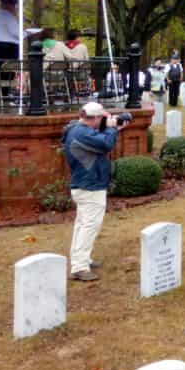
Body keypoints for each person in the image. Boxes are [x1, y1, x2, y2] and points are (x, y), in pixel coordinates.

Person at [62, 101, 130, 281]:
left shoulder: (76, 129)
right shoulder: (82, 133)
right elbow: (106, 144)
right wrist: (113, 128)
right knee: (90, 226)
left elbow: (98, 141)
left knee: (82, 224)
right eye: (101, 117)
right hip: (90, 185)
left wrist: (108, 127)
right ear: (95, 118)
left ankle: (81, 259)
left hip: (84, 184)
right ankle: (79, 267)